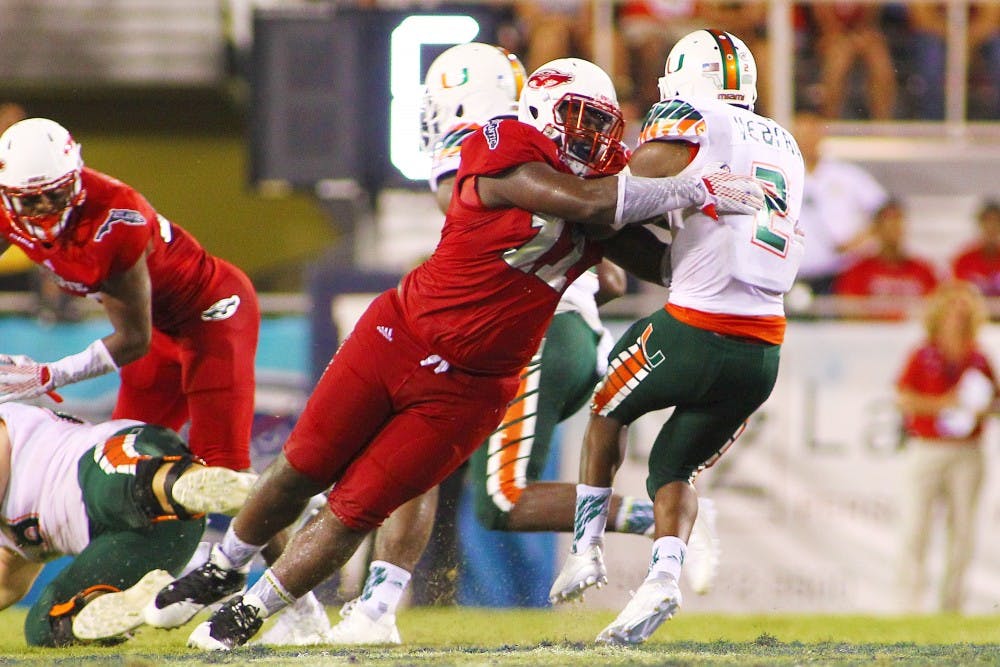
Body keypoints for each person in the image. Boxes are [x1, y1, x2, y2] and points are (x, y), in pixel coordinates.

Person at [143, 54, 765, 651]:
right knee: (304, 465)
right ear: (538, 111)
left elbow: (657, 266)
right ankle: (223, 565)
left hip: (472, 388)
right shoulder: (504, 143)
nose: (585, 135)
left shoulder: (604, 191)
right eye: (574, 116)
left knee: (357, 508)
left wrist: (744, 249)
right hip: (398, 338)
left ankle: (253, 610)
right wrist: (697, 185)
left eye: (599, 123)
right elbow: (590, 205)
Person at [328, 44, 716, 646]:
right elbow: (612, 277)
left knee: (490, 492)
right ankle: (377, 608)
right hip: (560, 334)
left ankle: (376, 608)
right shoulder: (550, 150)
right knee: (434, 469)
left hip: (533, 339)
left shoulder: (488, 154)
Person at [0, 117, 331, 643]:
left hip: (210, 316)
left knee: (224, 476)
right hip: (159, 334)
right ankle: (126, 590)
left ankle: (299, 603)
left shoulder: (116, 217)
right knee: (125, 469)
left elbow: (131, 339)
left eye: (55, 196)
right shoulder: (6, 211)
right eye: (29, 201)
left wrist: (48, 373)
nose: (43, 212)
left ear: (76, 177)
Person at [549, 29, 804, 645]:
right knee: (673, 465)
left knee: (609, 406)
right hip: (764, 350)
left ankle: (585, 550)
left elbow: (625, 193)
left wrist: (590, 189)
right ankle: (664, 578)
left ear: (687, 78)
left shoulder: (695, 115)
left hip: (694, 329)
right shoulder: (786, 142)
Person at [0, 402, 257, 647]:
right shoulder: (9, 537)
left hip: (126, 459)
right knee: (43, 626)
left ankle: (196, 484)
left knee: (108, 492)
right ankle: (124, 600)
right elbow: (7, 584)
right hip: (153, 542)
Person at [895, 280, 997, 613]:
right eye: (952, 309)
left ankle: (952, 606)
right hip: (929, 447)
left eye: (964, 311)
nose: (957, 317)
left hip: (967, 450)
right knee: (916, 527)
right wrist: (944, 403)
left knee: (964, 530)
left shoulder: (979, 358)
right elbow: (904, 399)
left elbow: (994, 400)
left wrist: (982, 408)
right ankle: (910, 605)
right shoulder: (923, 354)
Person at [792, 109, 890, 296]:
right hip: (792, 272)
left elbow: (884, 210)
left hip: (838, 272)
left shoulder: (846, 174)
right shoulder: (783, 175)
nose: (806, 140)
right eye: (801, 134)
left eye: (811, 133)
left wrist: (857, 241)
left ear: (821, 134)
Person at [832, 200, 939, 318]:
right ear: (876, 229)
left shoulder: (924, 270)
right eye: (888, 224)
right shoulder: (857, 271)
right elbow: (850, 312)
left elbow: (936, 308)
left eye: (897, 223)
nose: (893, 230)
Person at [907, 3, 1000, 120]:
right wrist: (956, 38)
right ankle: (933, 123)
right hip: (938, 34)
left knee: (997, 51)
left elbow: (992, 18)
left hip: (979, 37)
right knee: (931, 55)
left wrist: (965, 43)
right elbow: (921, 17)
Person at [811, 2, 897, 119]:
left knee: (881, 65)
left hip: (861, 33)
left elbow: (869, 21)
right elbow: (826, 21)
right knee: (838, 64)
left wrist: (858, 37)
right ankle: (830, 121)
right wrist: (843, 39)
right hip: (832, 35)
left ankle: (882, 124)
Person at [951, 201, 1000, 297]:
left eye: (996, 222)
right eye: (987, 222)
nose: (991, 227)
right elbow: (955, 295)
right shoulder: (963, 260)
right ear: (980, 225)